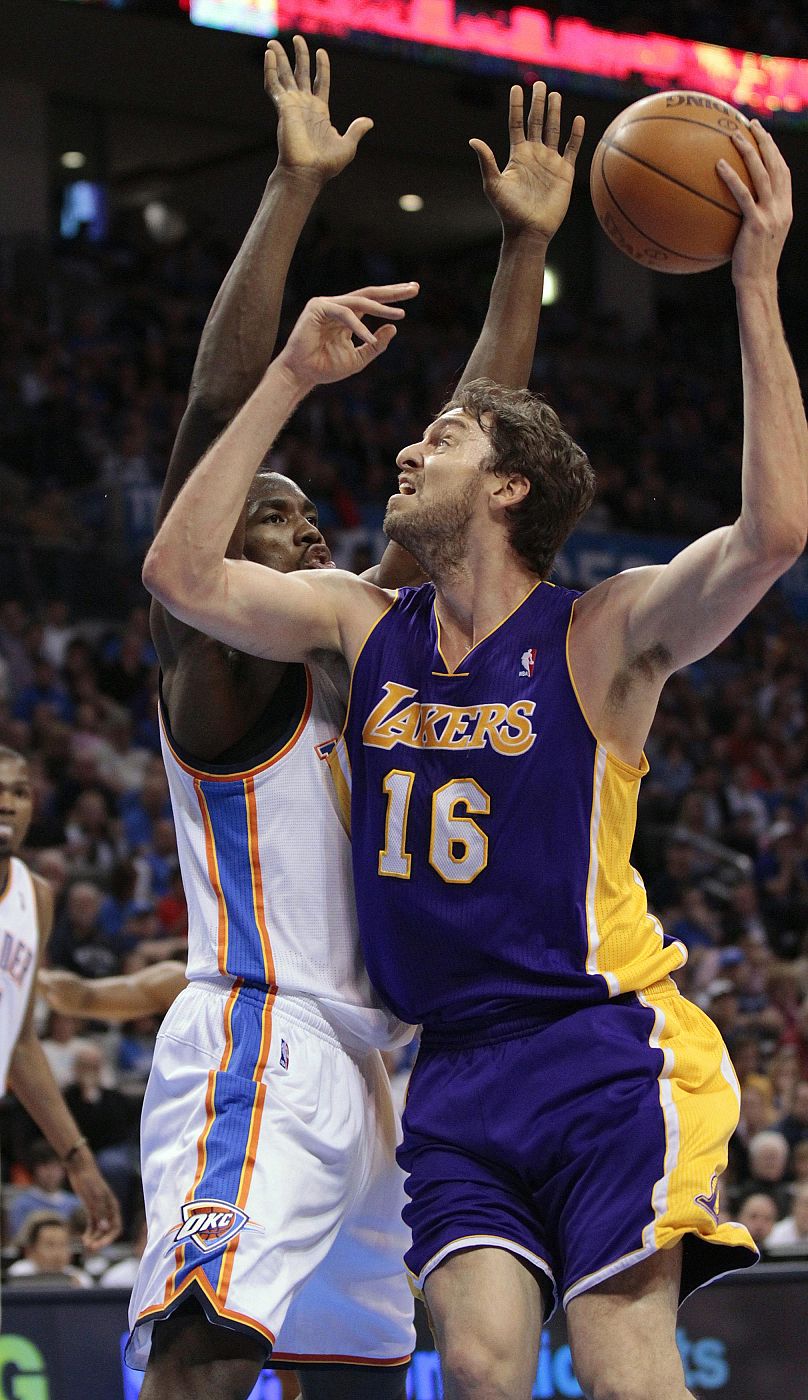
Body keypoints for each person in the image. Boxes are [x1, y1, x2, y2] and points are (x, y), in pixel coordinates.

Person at [143, 111, 806, 1400]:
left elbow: (773, 530)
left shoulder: (602, 632)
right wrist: (288, 374)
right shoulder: (359, 620)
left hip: (598, 1040)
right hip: (444, 1060)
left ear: (506, 491)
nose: (407, 444)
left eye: (441, 443)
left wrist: (754, 283)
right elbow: (176, 571)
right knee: (480, 1374)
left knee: (622, 1376)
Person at [131, 35, 583, 1400]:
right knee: (203, 1365)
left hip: (388, 1065)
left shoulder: (363, 649)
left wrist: (520, 257)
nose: (307, 526)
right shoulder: (220, 667)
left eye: (312, 514)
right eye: (272, 516)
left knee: (363, 1377)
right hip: (266, 1036)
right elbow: (215, 415)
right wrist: (288, 190)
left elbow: (467, 459)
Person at [0, 747, 121, 1278]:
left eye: (19, 791)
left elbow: (20, 1044)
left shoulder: (36, 897)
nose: (7, 804)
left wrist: (79, 1158)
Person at [5, 1211, 93, 1289]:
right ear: (30, 1251)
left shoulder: (81, 1278)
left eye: (63, 1245)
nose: (57, 1253)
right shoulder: (17, 1274)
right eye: (50, 1245)